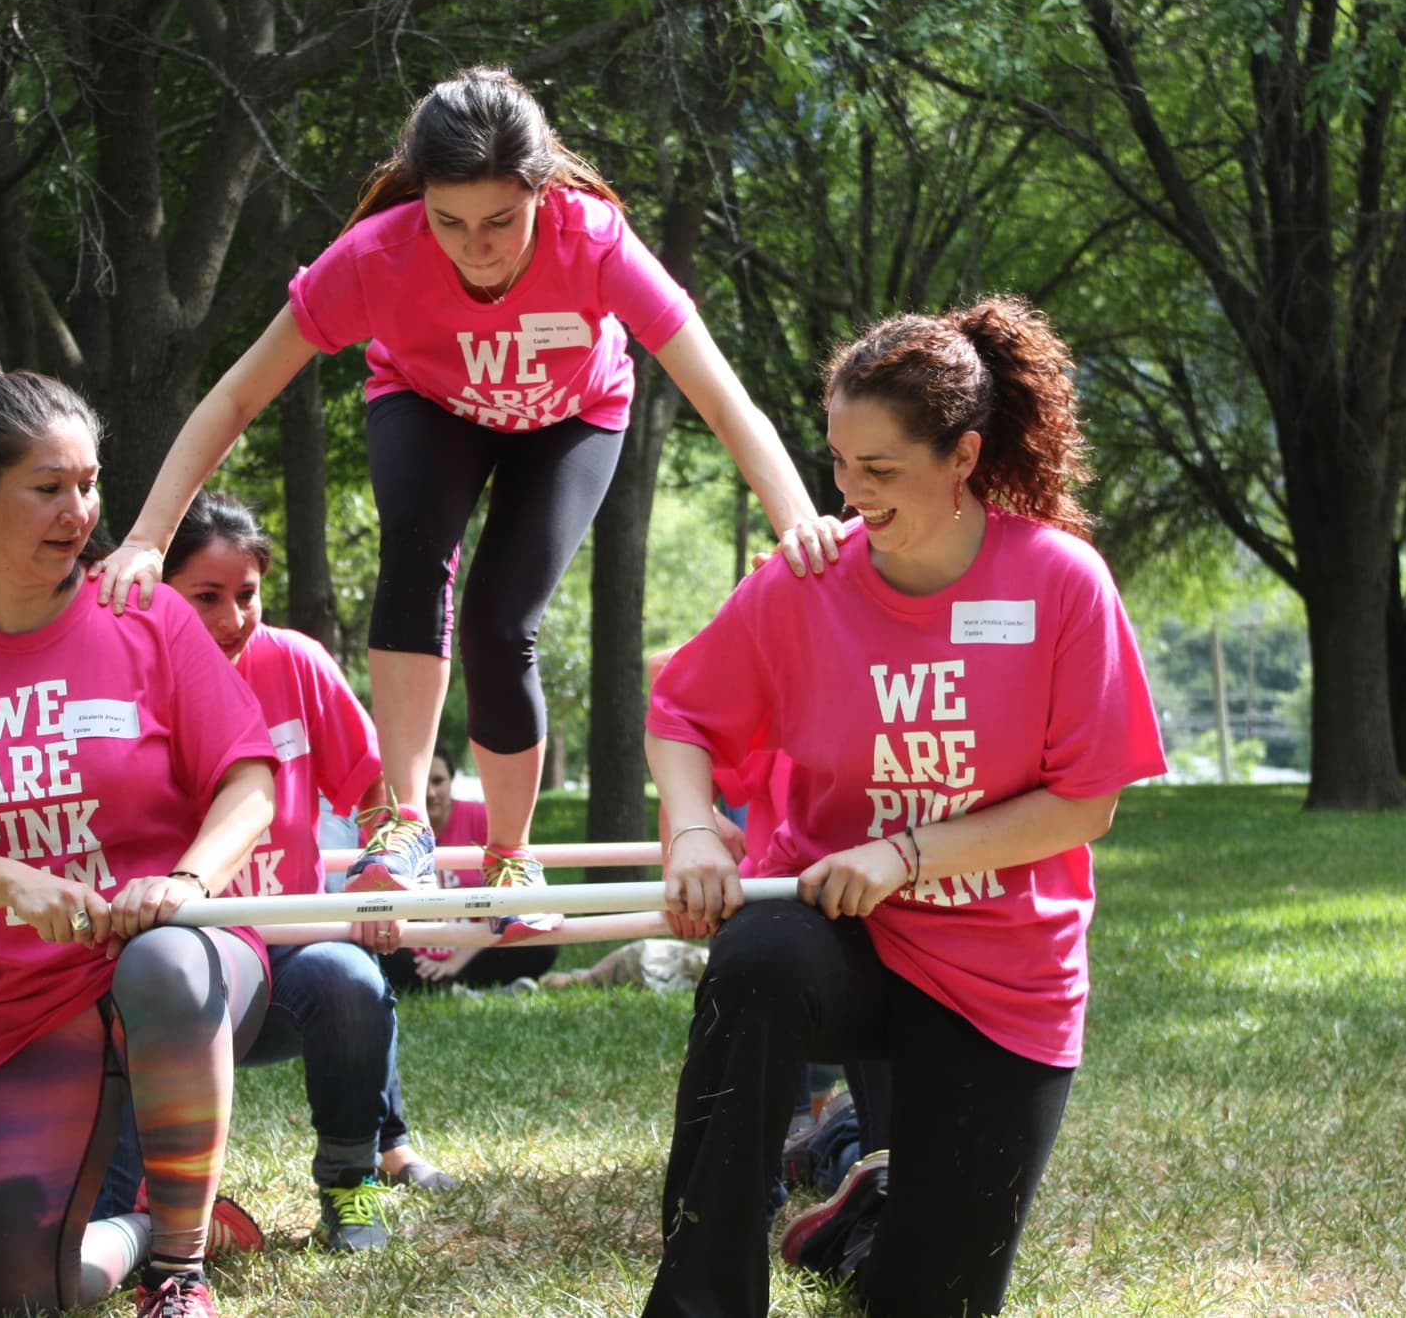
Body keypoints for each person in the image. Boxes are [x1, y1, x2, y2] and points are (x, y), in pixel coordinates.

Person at [93, 67, 844, 934]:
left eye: (500, 221)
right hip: (428, 404)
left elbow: (721, 397)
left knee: (500, 619)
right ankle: (405, 825)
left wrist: (798, 521)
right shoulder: (377, 255)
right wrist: (148, 536)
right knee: (414, 552)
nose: (476, 247)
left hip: (571, 417)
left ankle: (511, 855)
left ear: (540, 190)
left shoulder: (593, 241)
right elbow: (235, 398)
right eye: (449, 222)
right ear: (421, 199)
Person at [642, 297, 1169, 1317]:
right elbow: (679, 715)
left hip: (1000, 965)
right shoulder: (802, 582)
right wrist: (696, 826)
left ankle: (855, 1214)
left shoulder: (1059, 582)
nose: (847, 491)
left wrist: (906, 849)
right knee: (753, 962)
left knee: (930, 1298)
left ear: (961, 454)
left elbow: (1081, 803)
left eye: (877, 469)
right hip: (838, 935)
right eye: (837, 461)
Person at [0, 371, 279, 1318]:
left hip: (184, 960)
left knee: (158, 963)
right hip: (26, 998)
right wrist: (13, 884)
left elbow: (251, 783)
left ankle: (181, 1274)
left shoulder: (146, 613)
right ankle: (140, 1229)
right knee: (23, 1302)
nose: (80, 513)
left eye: (91, 483)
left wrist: (188, 880)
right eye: (49, 487)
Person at [90, 490, 451, 1251]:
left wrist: (383, 872)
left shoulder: (295, 662)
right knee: (90, 1228)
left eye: (246, 595)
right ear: (156, 591)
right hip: (171, 961)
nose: (230, 619)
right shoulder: (114, 676)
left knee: (350, 977)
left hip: (285, 956)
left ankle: (353, 1184)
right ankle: (127, 1207)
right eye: (206, 598)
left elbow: (381, 795)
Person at [381, 745, 558, 990]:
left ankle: (448, 984)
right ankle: (458, 988)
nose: (430, 792)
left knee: (543, 942)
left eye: (438, 781)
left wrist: (455, 962)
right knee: (370, 950)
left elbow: (506, 898)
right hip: (410, 952)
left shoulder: (480, 818)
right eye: (422, 783)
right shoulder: (386, 829)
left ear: (451, 781)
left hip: (476, 947)